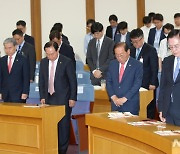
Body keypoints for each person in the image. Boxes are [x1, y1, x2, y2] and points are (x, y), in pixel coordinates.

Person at [39, 41, 77, 154]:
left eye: (52, 54)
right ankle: (52, 149)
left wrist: (72, 98)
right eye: (47, 54)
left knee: (63, 127)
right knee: (50, 126)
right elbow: (42, 81)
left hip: (63, 99)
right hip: (48, 99)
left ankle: (62, 151)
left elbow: (73, 82)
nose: (50, 56)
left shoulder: (66, 62)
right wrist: (42, 96)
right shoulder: (43, 62)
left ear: (57, 51)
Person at [106, 42, 143, 115]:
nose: (119, 58)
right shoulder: (112, 64)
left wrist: (124, 99)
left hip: (130, 104)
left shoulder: (137, 65)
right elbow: (109, 82)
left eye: (121, 55)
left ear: (128, 52)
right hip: (115, 104)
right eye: (117, 55)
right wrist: (114, 97)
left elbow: (137, 84)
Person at [130, 28, 159, 119]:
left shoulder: (150, 49)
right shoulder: (131, 50)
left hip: (147, 83)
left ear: (142, 39)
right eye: (133, 42)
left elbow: (154, 67)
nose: (135, 44)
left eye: (136, 41)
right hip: (135, 83)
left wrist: (153, 82)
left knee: (149, 106)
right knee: (137, 106)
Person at [158, 29, 180, 126]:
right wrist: (161, 108)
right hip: (169, 110)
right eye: (170, 47)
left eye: (176, 46)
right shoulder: (167, 61)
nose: (173, 50)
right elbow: (163, 86)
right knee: (171, 141)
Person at [0, 38, 30, 103]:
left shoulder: (23, 59)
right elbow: (1, 77)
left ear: (15, 46)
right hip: (6, 94)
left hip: (19, 94)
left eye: (10, 48)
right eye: (6, 48)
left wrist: (25, 92)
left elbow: (26, 77)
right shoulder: (2, 60)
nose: (8, 50)